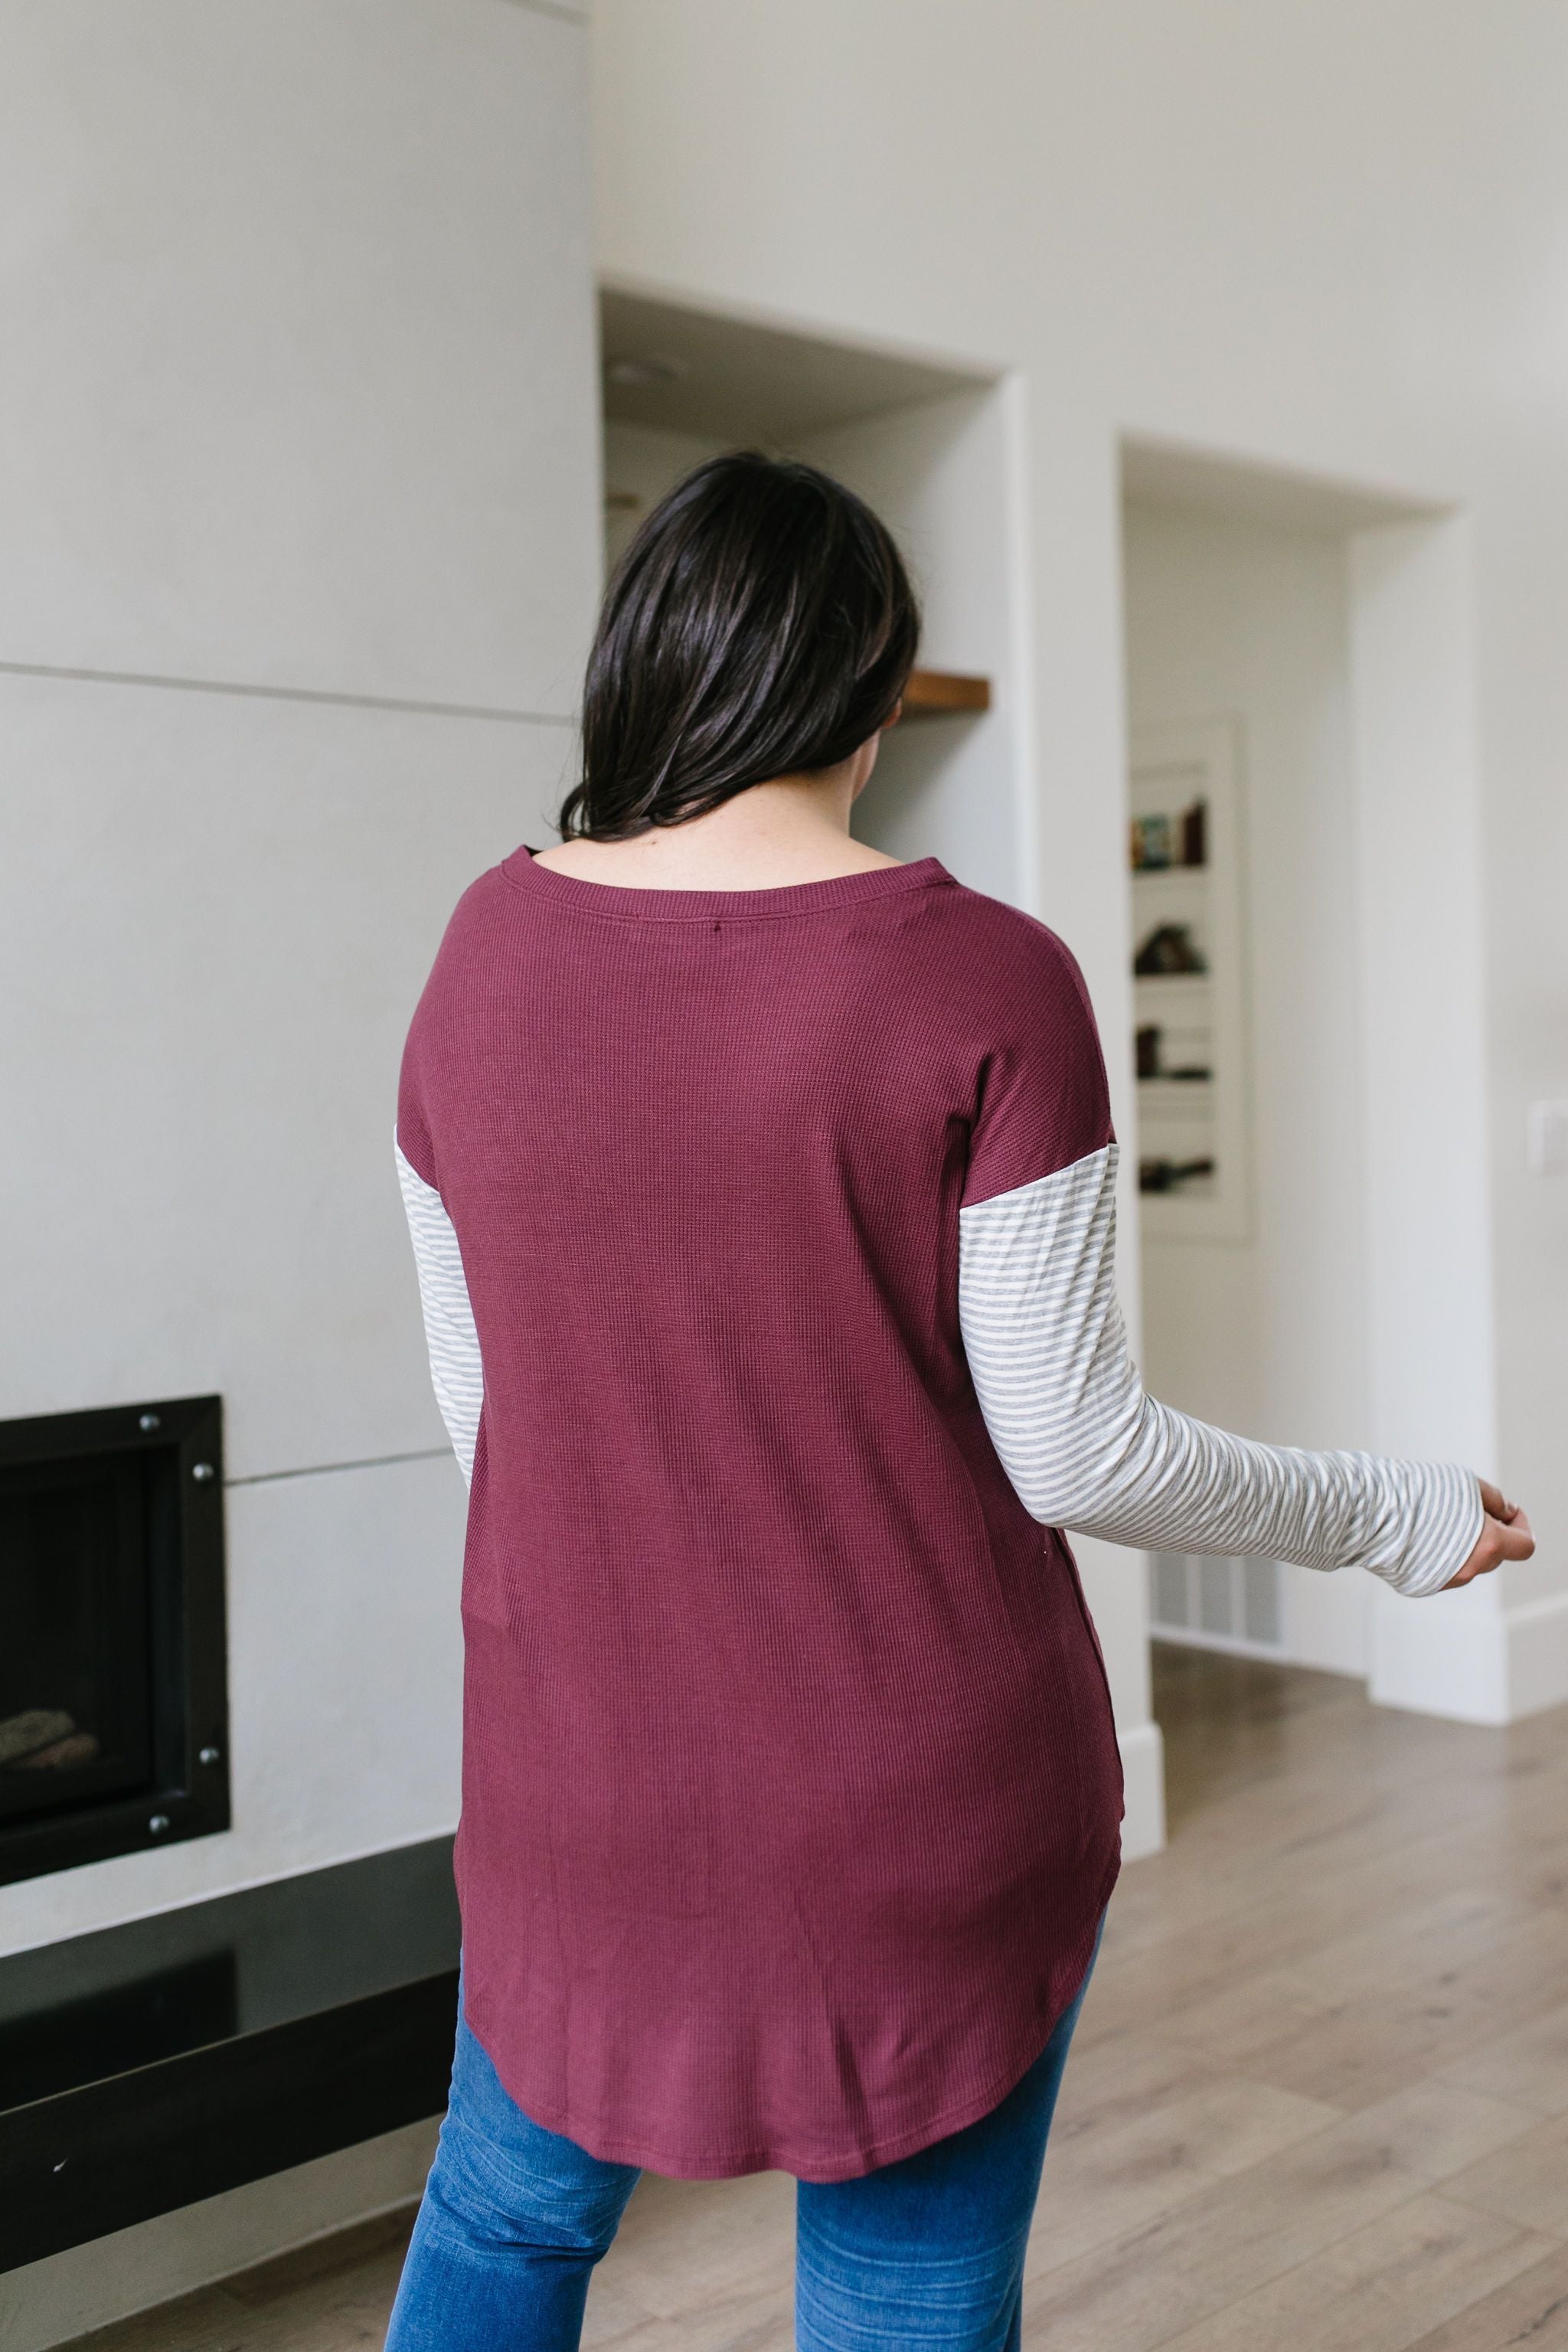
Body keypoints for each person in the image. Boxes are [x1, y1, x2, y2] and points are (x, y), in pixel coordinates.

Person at [385, 452, 1534, 2352]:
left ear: (649, 661)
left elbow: (478, 1408)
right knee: (904, 2293)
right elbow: (1075, 1445)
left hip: (575, 1775)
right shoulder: (984, 978)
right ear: (867, 681)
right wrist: (1391, 1512)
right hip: (903, 1804)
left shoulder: (480, 953)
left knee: (502, 2225)